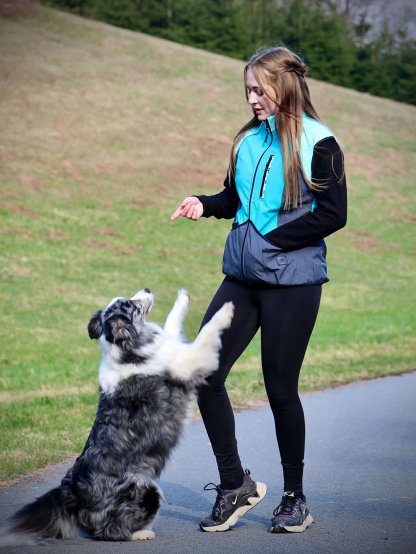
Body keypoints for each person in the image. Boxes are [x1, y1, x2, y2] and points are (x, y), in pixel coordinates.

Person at [171, 45, 347, 534]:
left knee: (280, 389)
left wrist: (271, 241)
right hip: (243, 278)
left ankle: (295, 499)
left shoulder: (319, 142)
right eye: (247, 89)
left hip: (293, 282)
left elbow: (333, 214)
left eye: (259, 88)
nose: (251, 98)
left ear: (284, 86)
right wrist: (204, 204)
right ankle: (235, 485)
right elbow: (235, 197)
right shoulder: (248, 140)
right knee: (202, 369)